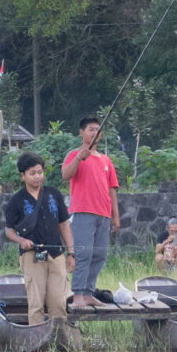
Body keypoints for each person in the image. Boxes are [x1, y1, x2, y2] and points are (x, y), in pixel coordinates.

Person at [0, 153, 74, 323]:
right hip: (31, 257)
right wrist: (21, 241)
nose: (37, 177)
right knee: (36, 304)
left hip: (56, 254)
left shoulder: (53, 194)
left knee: (58, 302)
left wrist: (71, 253)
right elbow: (9, 231)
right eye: (32, 173)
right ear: (22, 176)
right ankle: (37, 341)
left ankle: (59, 340)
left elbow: (64, 225)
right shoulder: (16, 200)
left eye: (40, 172)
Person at [62, 115, 122, 306]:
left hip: (103, 214)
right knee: (83, 253)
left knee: (100, 254)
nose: (95, 133)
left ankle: (88, 292)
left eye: (97, 129)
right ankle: (78, 294)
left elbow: (112, 189)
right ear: (81, 132)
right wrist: (80, 157)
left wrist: (115, 216)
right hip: (83, 212)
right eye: (90, 129)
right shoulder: (74, 155)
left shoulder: (105, 160)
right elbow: (65, 175)